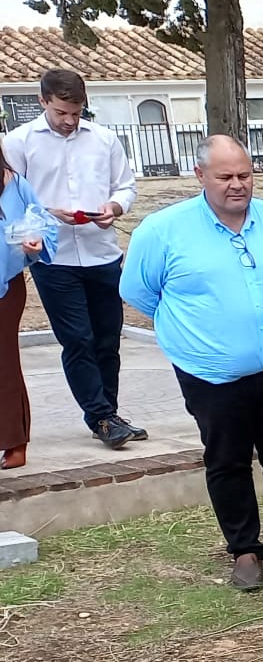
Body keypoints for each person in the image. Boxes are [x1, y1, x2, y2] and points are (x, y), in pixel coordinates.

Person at [122, 136, 263, 591]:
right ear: (200, 177)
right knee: (227, 462)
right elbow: (138, 292)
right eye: (225, 177)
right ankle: (245, 549)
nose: (237, 185)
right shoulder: (161, 231)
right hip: (212, 376)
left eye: (245, 175)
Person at [2, 69, 142, 450]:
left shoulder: (104, 139)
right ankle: (99, 415)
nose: (69, 121)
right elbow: (12, 204)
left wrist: (114, 205)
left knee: (107, 339)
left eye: (76, 113)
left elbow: (126, 185)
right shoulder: (19, 143)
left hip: (102, 252)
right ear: (42, 101)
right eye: (62, 112)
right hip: (53, 257)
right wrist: (48, 213)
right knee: (77, 339)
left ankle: (109, 414)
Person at [1, 155, 57, 469]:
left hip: (4, 287)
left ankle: (13, 441)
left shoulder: (15, 184)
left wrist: (34, 243)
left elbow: (44, 225)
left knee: (3, 362)